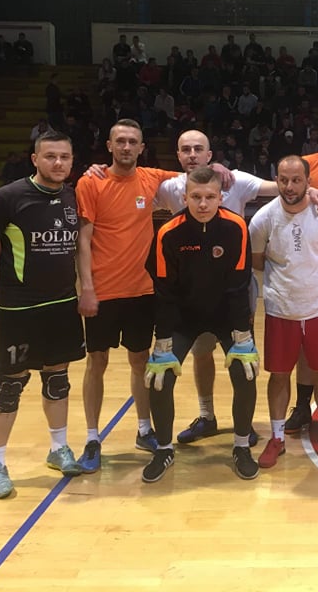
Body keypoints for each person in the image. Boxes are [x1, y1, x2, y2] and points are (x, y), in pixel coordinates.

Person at [145, 130, 318, 445]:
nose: (192, 155)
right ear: (177, 156)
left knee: (243, 365)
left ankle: (243, 429)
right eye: (185, 149)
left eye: (198, 149)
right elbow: (133, 191)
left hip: (233, 295)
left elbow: (281, 186)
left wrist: (311, 191)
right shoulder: (169, 187)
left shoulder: (236, 180)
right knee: (201, 355)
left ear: (209, 155)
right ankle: (206, 416)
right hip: (190, 297)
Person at [0, 131, 86, 498]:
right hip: (19, 309)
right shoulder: (9, 197)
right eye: (50, 156)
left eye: (64, 157)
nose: (58, 163)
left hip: (62, 306)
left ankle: (58, 448)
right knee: (10, 386)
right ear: (35, 159)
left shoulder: (74, 196)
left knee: (58, 379)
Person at [74, 119, 179, 472]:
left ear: (141, 147)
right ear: (109, 146)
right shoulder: (91, 182)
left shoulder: (151, 178)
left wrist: (222, 170)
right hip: (102, 291)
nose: (126, 147)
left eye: (132, 141)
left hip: (141, 290)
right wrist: (87, 288)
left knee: (140, 361)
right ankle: (92, 437)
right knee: (97, 363)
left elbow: (196, 176)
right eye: (120, 141)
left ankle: (143, 429)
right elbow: (84, 240)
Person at [144, 167, 259, 482]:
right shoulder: (168, 232)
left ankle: (241, 446)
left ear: (221, 197)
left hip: (227, 315)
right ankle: (163, 449)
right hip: (183, 318)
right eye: (196, 197)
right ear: (185, 198)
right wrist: (162, 340)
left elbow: (239, 285)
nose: (203, 204)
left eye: (210, 197)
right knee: (160, 378)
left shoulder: (236, 227)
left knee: (245, 371)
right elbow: (163, 291)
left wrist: (243, 336)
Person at [251, 156, 318, 470]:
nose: (289, 186)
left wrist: (317, 277)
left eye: (296, 180)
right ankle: (277, 437)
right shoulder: (263, 218)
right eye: (283, 179)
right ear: (276, 180)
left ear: (308, 181)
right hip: (280, 309)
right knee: (279, 375)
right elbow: (257, 259)